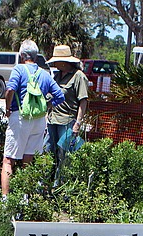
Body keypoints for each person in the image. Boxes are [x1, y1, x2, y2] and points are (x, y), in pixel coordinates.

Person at [1, 40, 65, 195]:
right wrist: (46, 107)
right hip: (39, 120)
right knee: (28, 160)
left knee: (8, 160)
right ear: (36, 56)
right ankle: (25, 197)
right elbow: (60, 96)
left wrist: (8, 108)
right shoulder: (45, 74)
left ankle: (5, 201)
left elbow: (10, 90)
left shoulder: (19, 69)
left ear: (22, 55)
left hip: (20, 117)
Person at [45, 44, 89, 180]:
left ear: (64, 62)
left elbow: (83, 101)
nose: (55, 64)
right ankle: (45, 185)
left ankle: (60, 187)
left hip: (67, 122)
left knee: (64, 156)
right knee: (48, 151)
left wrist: (78, 123)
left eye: (56, 61)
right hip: (52, 120)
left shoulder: (78, 76)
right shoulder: (56, 76)